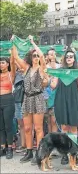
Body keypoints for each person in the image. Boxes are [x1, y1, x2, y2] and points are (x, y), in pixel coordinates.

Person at [12, 35, 48, 164]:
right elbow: (15, 57)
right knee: (27, 128)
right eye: (34, 56)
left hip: (38, 98)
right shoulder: (26, 68)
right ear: (30, 58)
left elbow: (43, 56)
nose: (36, 57)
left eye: (37, 56)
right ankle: (28, 152)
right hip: (27, 99)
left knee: (38, 128)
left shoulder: (41, 68)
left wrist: (33, 42)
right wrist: (14, 43)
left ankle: (39, 153)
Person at [50, 49, 78, 165]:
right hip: (61, 100)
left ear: (74, 58)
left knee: (73, 128)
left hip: (74, 100)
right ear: (64, 58)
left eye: (71, 56)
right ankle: (65, 154)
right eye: (67, 56)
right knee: (64, 128)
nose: (69, 58)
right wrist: (48, 76)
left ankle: (73, 153)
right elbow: (53, 85)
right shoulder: (60, 70)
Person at [0, 51, 16, 159]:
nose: (1, 64)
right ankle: (3, 148)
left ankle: (10, 148)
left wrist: (13, 48)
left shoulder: (11, 74)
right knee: (1, 127)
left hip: (8, 100)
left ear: (7, 64)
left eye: (3, 62)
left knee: (8, 126)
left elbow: (14, 62)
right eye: (0, 62)